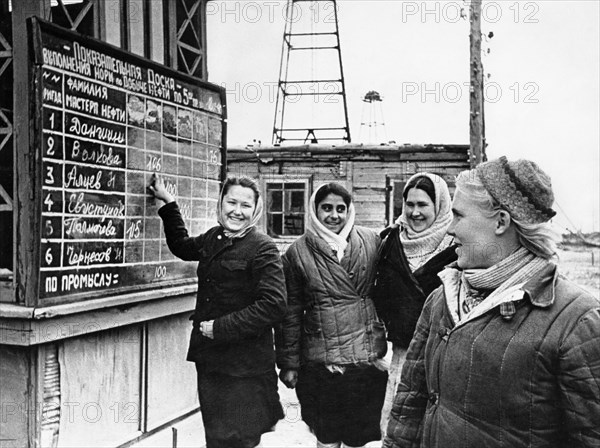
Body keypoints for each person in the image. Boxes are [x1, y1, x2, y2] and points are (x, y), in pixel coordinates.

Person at [383, 157, 600, 448]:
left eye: (459, 216)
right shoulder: (441, 298)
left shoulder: (576, 319)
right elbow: (409, 406)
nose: (450, 229)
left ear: (501, 222)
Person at [149, 174, 287, 448]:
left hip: (246, 367)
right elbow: (183, 246)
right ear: (221, 202)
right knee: (216, 438)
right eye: (231, 202)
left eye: (245, 205)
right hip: (212, 362)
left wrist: (221, 327)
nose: (237, 211)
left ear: (255, 210)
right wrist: (168, 204)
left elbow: (274, 305)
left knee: (239, 440)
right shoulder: (214, 237)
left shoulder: (263, 248)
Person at [275, 183, 388, 448]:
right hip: (321, 363)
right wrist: (289, 363)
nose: (334, 216)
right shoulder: (298, 252)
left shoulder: (371, 241)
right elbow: (290, 312)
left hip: (364, 358)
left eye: (341, 209)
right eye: (327, 208)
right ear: (314, 211)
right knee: (326, 438)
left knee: (356, 440)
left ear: (349, 211)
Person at [373, 173, 457, 435]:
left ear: (440, 206)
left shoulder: (458, 247)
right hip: (402, 355)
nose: (414, 212)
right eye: (410, 204)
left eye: (423, 205)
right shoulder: (389, 243)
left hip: (444, 358)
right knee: (398, 430)